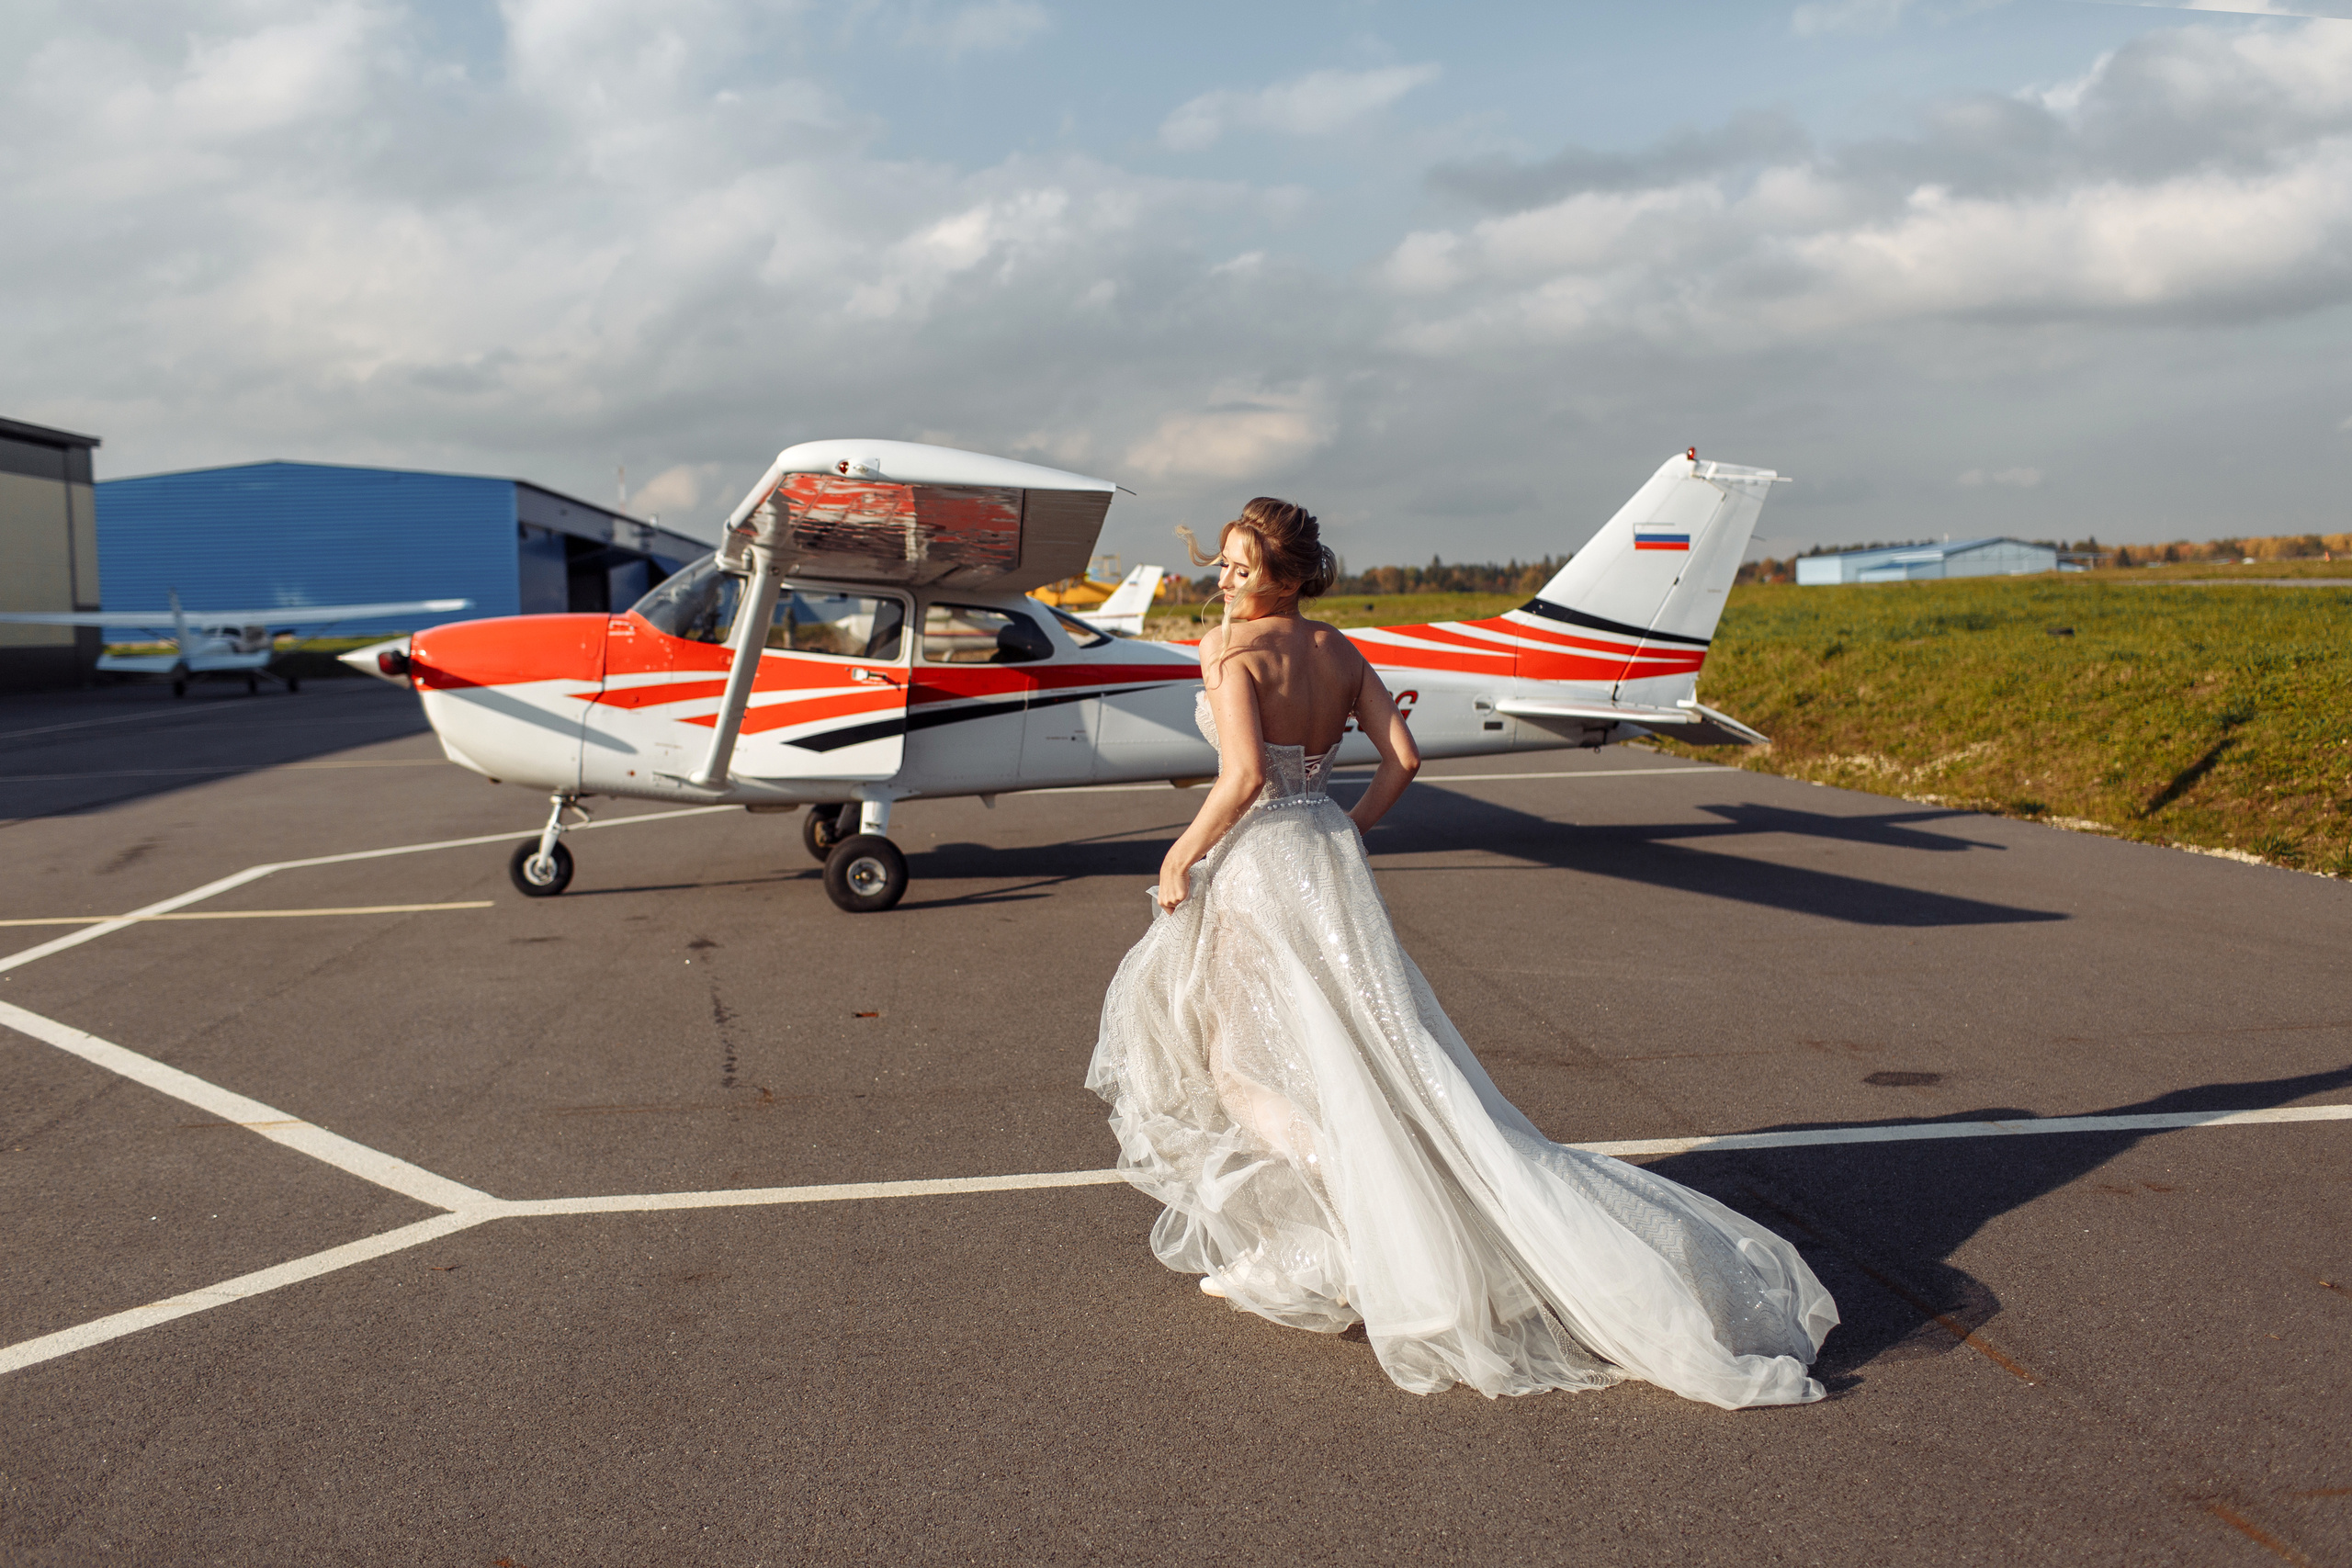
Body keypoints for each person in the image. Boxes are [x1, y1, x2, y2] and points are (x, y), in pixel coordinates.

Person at [1086, 498, 1838, 1407]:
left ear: (1285, 578)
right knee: (1372, 1053)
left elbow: (1243, 776)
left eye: (1242, 568)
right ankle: (1355, 1230)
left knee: (1242, 1066)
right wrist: (1344, 823)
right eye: (1226, 565)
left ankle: (1351, 1236)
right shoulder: (1337, 651)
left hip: (1260, 866)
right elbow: (1402, 756)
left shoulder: (1228, 653)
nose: (1226, 580)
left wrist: (1179, 853)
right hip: (1326, 854)